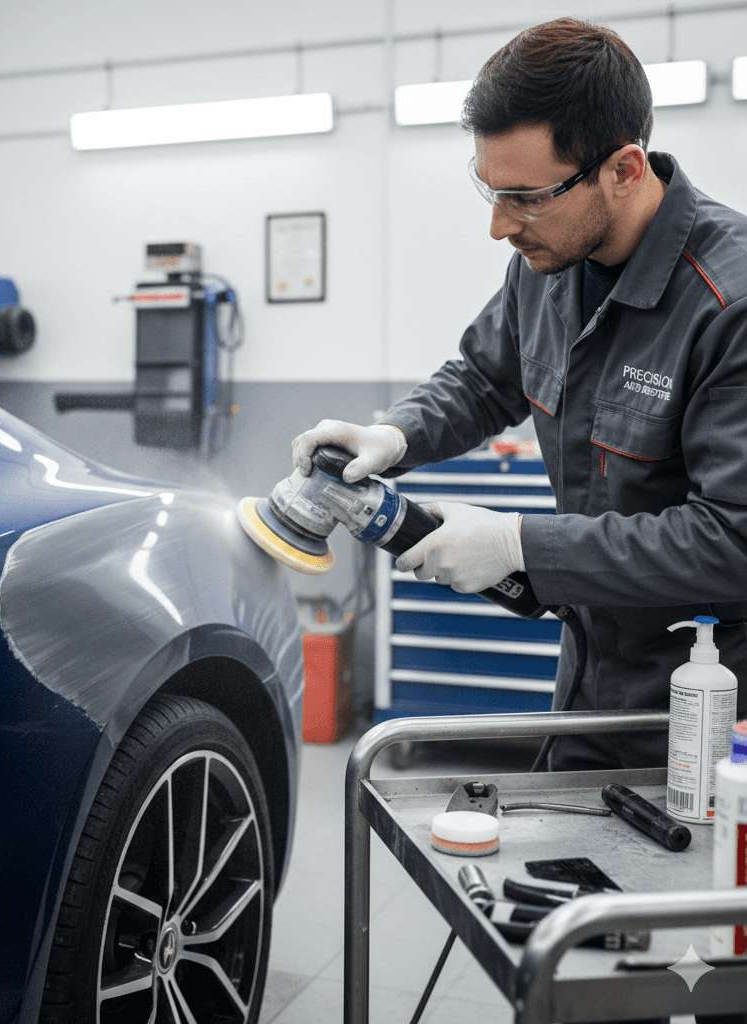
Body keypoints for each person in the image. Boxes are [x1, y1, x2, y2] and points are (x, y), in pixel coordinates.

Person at [295, 19, 747, 1023]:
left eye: (522, 196)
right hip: (591, 692)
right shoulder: (542, 262)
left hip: (718, 727)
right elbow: (484, 375)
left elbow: (734, 540)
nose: (498, 225)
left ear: (622, 169)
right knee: (580, 980)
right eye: (486, 190)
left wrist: (516, 546)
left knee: (703, 980)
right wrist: (396, 434)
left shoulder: (731, 301)